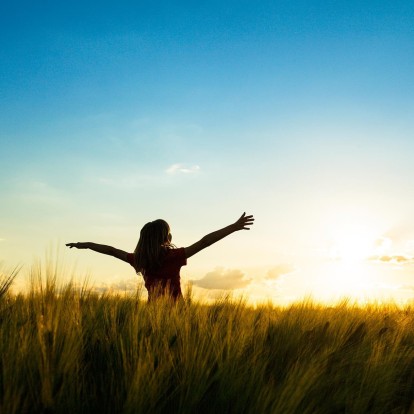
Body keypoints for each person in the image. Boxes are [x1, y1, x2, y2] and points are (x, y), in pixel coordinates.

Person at [66, 212, 254, 301]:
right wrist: (234, 227)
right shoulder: (174, 256)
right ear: (166, 237)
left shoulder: (139, 260)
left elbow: (111, 250)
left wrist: (85, 245)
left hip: (152, 314)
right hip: (178, 314)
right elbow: (205, 241)